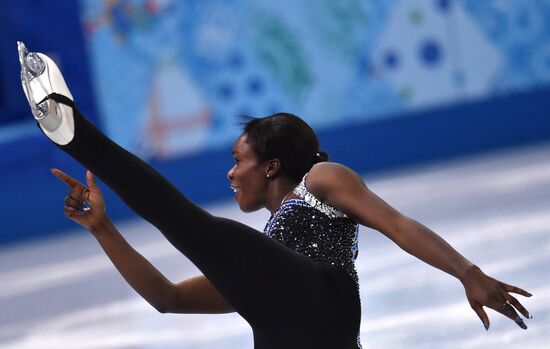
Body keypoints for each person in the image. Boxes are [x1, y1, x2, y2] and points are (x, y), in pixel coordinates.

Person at [18, 42, 532, 349]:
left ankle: (77, 135)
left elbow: (396, 225)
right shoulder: (260, 273)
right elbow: (167, 299)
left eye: (238, 161)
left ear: (271, 166)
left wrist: (467, 273)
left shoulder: (321, 181)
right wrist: (103, 229)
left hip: (325, 300)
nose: (230, 173)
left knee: (196, 227)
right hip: (301, 327)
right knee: (205, 237)